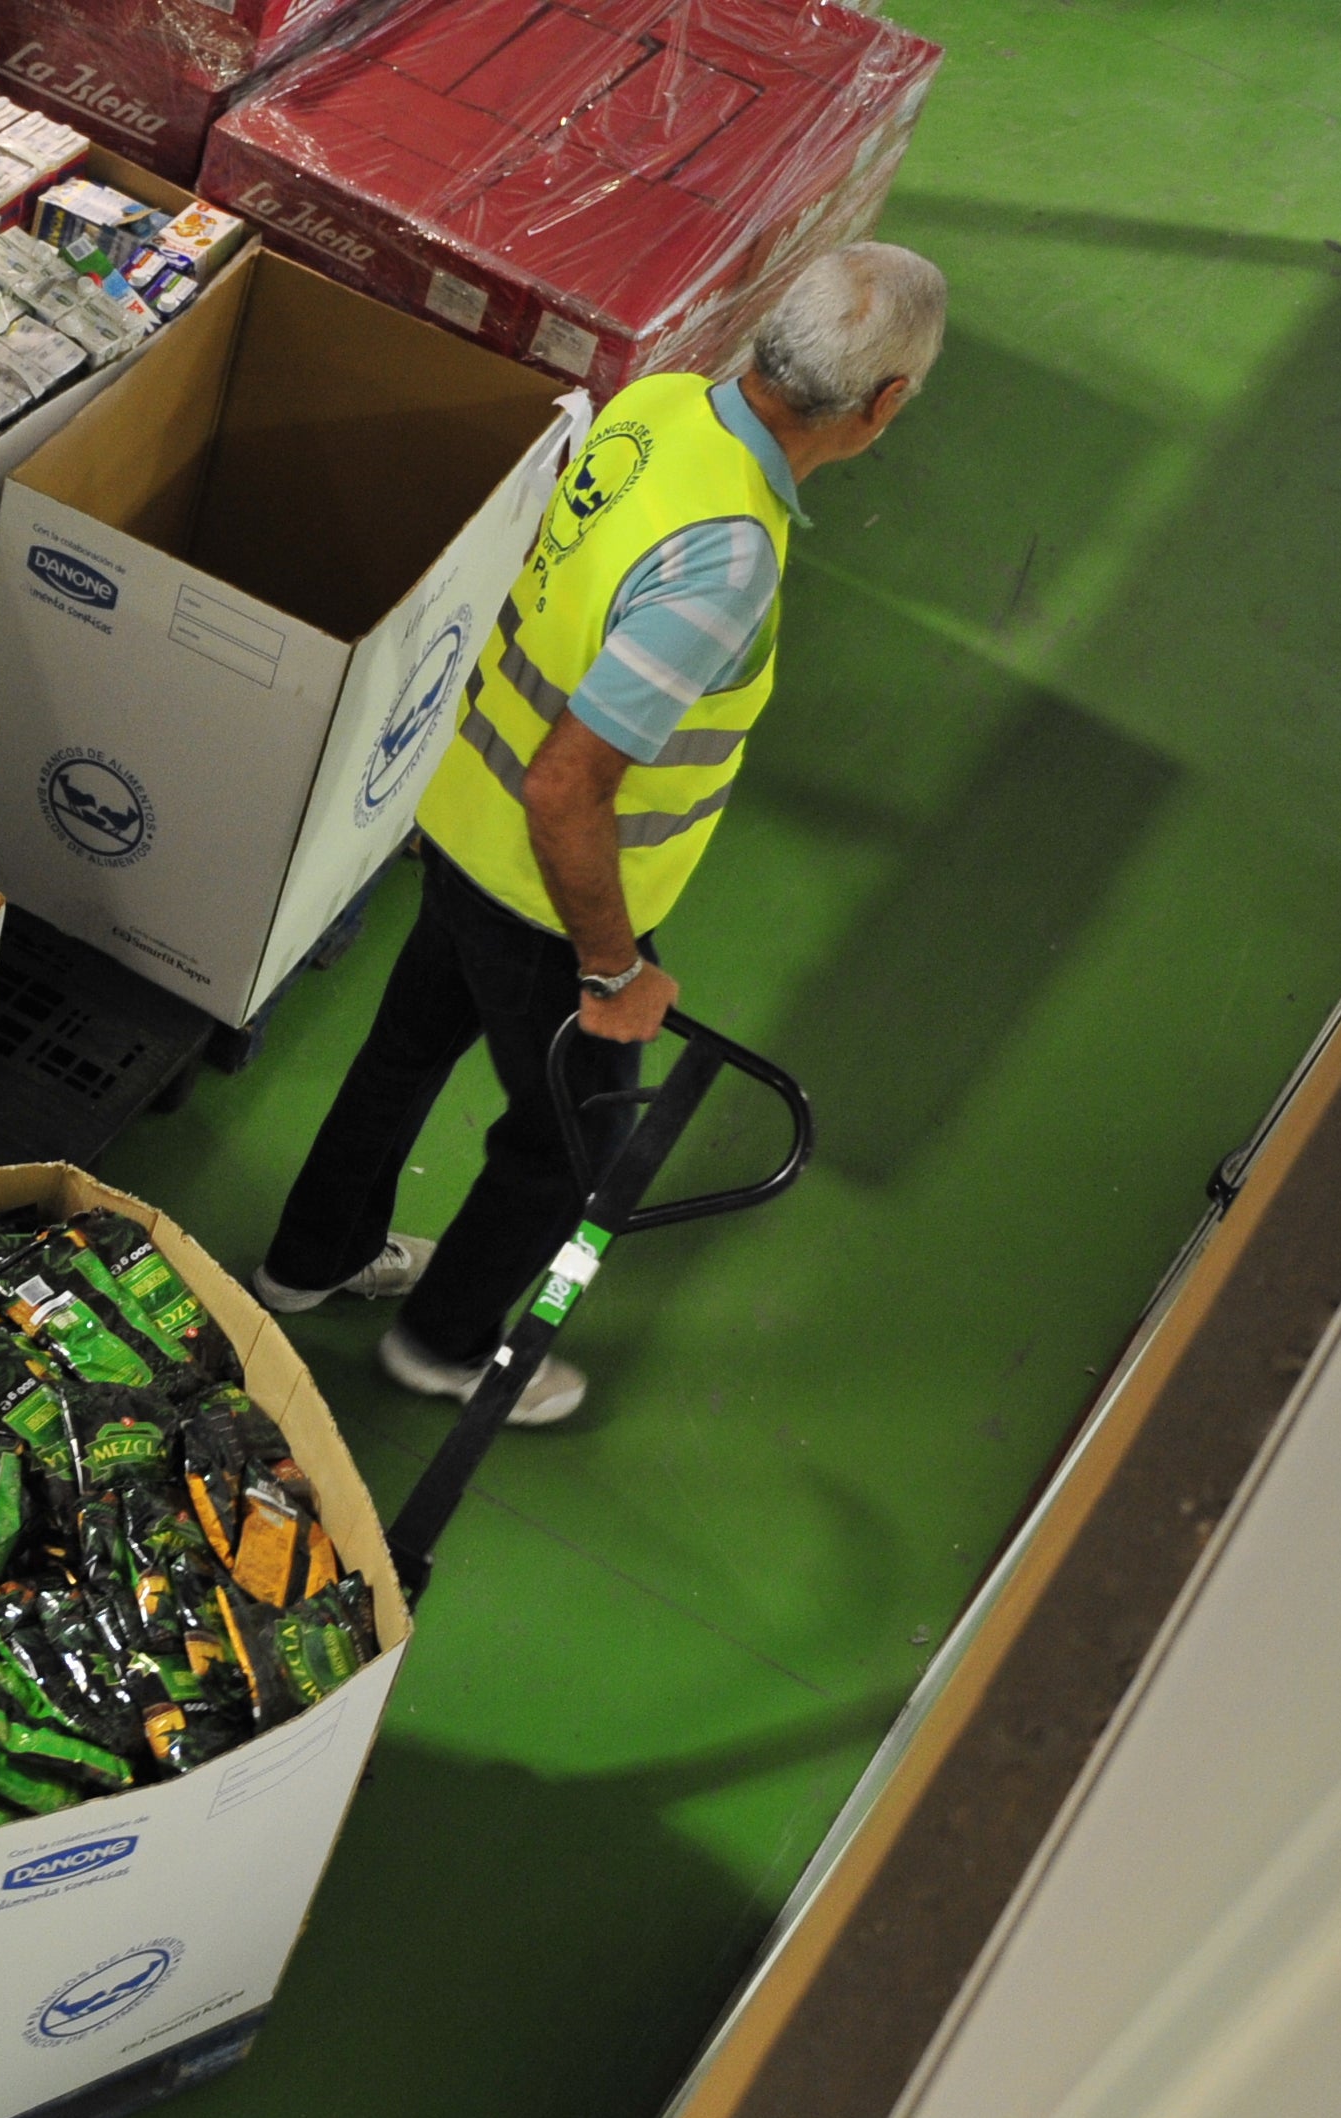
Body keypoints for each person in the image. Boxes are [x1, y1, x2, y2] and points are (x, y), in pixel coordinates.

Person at [249, 241, 947, 1420]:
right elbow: (567, 788)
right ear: (882, 404)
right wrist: (614, 971)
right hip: (544, 897)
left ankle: (310, 1260)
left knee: (401, 1053)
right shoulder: (724, 557)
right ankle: (444, 1345)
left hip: (458, 811)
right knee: (568, 1147)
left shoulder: (660, 405)